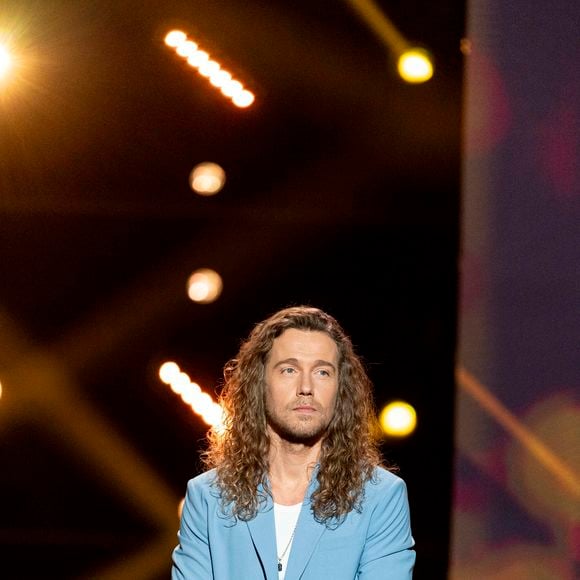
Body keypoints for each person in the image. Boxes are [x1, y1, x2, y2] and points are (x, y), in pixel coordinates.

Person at [172, 305, 415, 579]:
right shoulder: (208, 497)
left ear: (341, 388)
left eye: (322, 372)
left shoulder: (380, 497)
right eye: (289, 370)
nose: (306, 387)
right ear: (259, 383)